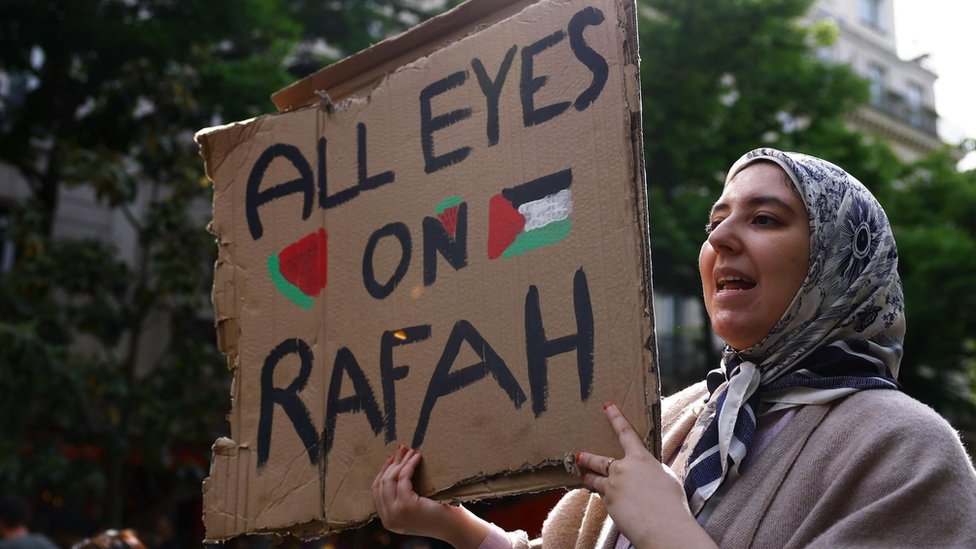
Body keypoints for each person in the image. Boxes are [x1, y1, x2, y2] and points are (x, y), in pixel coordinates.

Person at [371, 148, 976, 547]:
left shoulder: (908, 450)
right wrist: (447, 523)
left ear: (838, 261)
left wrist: (668, 531)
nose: (722, 237)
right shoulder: (679, 416)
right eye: (717, 220)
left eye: (765, 219)